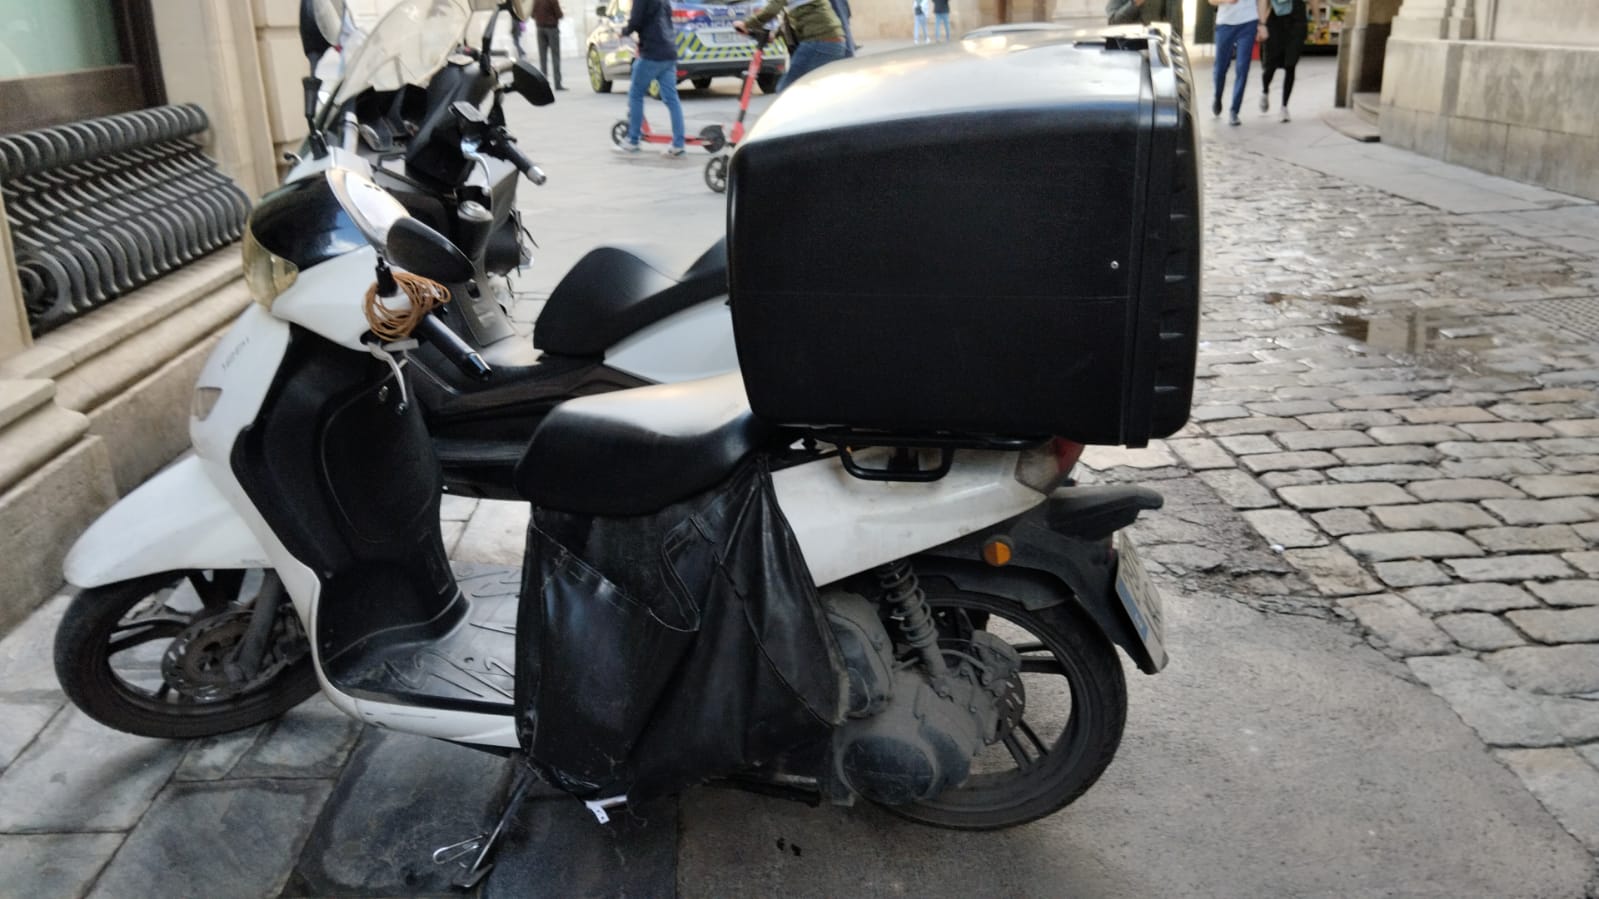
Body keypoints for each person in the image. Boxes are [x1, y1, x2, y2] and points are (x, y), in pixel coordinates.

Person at [616, 0, 686, 157]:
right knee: (672, 99)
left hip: (652, 53)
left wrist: (624, 31)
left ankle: (633, 140)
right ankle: (678, 144)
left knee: (636, 94)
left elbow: (636, 21)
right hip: (669, 52)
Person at [734, 0, 846, 93]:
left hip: (819, 43)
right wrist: (775, 34)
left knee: (786, 90)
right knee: (814, 91)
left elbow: (772, 9)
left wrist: (746, 24)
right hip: (831, 42)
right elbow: (791, 16)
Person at [1259, 0, 1318, 122]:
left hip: (1297, 22)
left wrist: (1318, 24)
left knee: (1290, 65)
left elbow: (1314, 1)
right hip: (1275, 22)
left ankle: (1284, 107)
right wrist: (1262, 24)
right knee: (1270, 66)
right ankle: (1265, 91)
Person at [1210, 0, 1259, 126]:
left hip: (1249, 22)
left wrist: (1262, 23)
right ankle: (1218, 96)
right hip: (1225, 23)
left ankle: (1234, 110)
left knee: (1242, 67)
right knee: (1220, 68)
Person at [532, 0, 567, 91]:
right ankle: (557, 83)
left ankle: (544, 83)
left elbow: (532, 14)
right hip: (552, 28)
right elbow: (559, 14)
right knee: (555, 56)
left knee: (543, 58)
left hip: (540, 29)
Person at [1105, 0, 1184, 38]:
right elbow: (1113, 22)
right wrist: (1135, 3)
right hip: (1125, 50)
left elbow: (1176, 28)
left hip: (1154, 51)